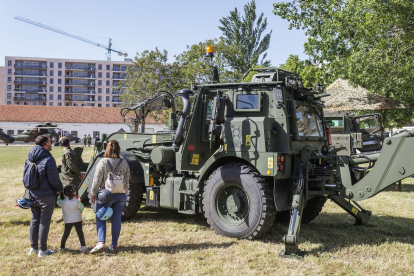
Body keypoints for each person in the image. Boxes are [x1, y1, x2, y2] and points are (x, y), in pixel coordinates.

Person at [25, 135, 63, 257]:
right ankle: (43, 250)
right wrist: (59, 189)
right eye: (50, 142)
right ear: (46, 144)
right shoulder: (48, 159)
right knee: (44, 222)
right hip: (46, 196)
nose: (52, 143)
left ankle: (33, 248)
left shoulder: (29, 157)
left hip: (33, 194)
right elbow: (54, 179)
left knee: (34, 220)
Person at [90, 140, 130, 254]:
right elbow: (126, 181)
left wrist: (93, 193)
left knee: (101, 217)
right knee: (116, 220)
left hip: (106, 195)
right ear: (118, 149)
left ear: (107, 149)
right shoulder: (124, 162)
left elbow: (97, 179)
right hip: (120, 195)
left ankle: (101, 242)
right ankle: (113, 245)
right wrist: (125, 193)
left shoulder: (102, 162)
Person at [55, 136, 84, 223]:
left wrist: (79, 174)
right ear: (69, 143)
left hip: (71, 179)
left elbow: (72, 165)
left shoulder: (67, 153)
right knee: (68, 199)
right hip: (69, 179)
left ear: (60, 145)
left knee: (72, 199)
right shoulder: (70, 152)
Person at [57, 185, 87, 253]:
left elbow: (58, 201)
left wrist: (60, 194)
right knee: (80, 233)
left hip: (67, 221)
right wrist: (80, 201)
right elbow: (81, 208)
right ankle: (83, 247)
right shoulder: (77, 201)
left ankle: (62, 247)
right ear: (74, 192)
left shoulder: (63, 201)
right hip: (77, 220)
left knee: (66, 234)